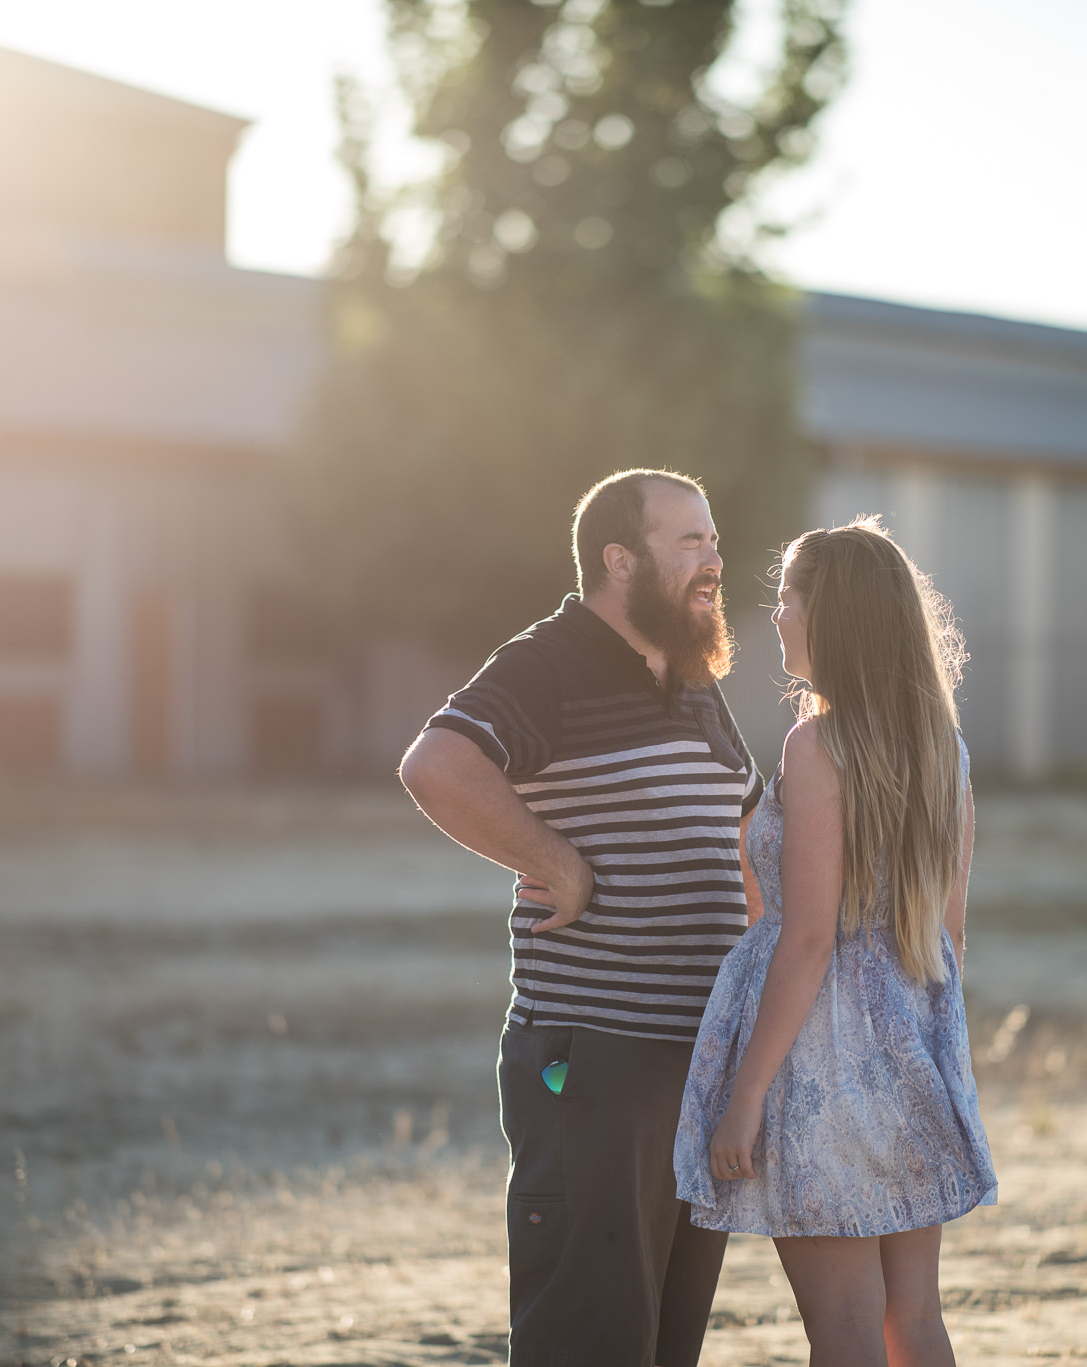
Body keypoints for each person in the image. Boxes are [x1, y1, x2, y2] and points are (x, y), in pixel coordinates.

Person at [398, 469, 765, 1367]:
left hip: (692, 1067)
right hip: (593, 1064)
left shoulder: (687, 674)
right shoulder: (550, 659)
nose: (714, 560)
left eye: (714, 539)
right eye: (690, 542)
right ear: (619, 559)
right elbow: (436, 761)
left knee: (659, 1345)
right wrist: (552, 859)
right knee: (588, 1345)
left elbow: (748, 824)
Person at [673, 518, 997, 1367]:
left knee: (846, 1330)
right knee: (913, 1321)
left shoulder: (817, 745)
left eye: (787, 598)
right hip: (910, 1047)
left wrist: (744, 1097)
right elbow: (948, 931)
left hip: (819, 1058)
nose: (773, 614)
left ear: (832, 618)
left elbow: (810, 936)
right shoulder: (944, 749)